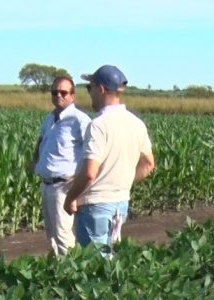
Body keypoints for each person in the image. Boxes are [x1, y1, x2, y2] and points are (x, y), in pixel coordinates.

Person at [63, 65, 155, 255]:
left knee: (94, 268)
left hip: (95, 205)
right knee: (111, 261)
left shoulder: (98, 125)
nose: (89, 94)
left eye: (90, 88)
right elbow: (148, 165)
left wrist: (71, 197)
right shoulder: (136, 124)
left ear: (102, 89)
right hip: (121, 204)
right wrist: (120, 182)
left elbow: (90, 172)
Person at [31, 75, 91, 255]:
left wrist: (78, 181)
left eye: (63, 92)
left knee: (63, 235)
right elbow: (41, 143)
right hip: (47, 184)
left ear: (72, 96)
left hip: (64, 186)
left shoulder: (80, 120)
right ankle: (58, 273)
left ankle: (71, 275)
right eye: (55, 92)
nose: (59, 95)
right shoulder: (50, 119)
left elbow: (94, 151)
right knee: (51, 234)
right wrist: (36, 164)